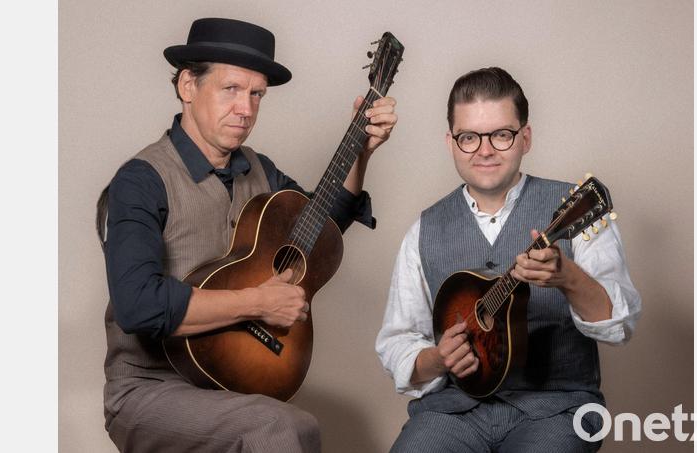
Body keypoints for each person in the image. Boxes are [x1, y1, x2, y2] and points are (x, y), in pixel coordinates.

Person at [96, 18, 397, 453]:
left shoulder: (261, 171)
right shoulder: (141, 181)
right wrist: (259, 302)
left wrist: (360, 150)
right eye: (231, 89)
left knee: (302, 425)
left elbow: (321, 230)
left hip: (231, 383)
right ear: (187, 85)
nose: (246, 108)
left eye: (256, 94)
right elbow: (137, 304)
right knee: (277, 428)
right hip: (149, 388)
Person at [375, 67, 640, 452]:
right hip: (453, 413)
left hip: (558, 410)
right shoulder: (424, 229)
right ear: (451, 142)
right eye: (469, 137)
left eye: (501, 134)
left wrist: (568, 277)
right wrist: (439, 358)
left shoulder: (573, 211)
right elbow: (398, 340)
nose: (484, 150)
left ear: (525, 137)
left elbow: (621, 325)